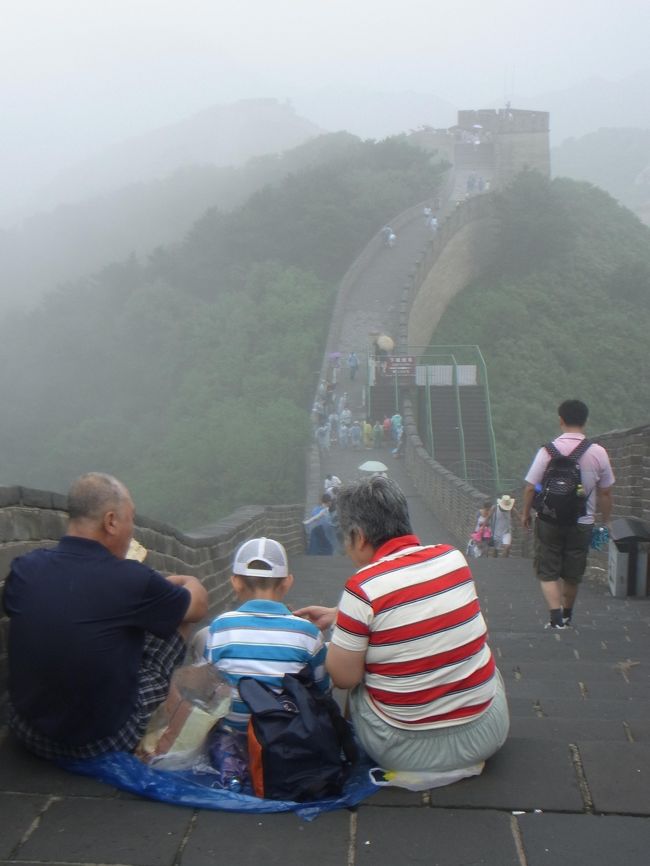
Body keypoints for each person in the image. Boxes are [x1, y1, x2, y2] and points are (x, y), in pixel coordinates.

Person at [295, 476, 509, 780]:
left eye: (345, 539)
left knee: (354, 669)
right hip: (488, 732)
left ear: (358, 536)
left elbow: (344, 678)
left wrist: (340, 636)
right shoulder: (453, 558)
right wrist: (341, 615)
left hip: (406, 751)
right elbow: (414, 602)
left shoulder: (363, 587)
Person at [2, 472, 208, 760]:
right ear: (111, 521)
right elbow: (198, 606)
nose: (132, 529)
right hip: (100, 741)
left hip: (27, 731)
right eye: (130, 519)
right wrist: (183, 580)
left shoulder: (25, 568)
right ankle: (161, 717)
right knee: (177, 619)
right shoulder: (132, 579)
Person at [204, 538, 329, 733]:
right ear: (287, 582)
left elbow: (210, 683)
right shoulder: (308, 632)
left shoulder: (221, 626)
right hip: (287, 739)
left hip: (233, 733)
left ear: (236, 582)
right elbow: (322, 688)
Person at [521, 399, 615, 629]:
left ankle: (555, 620)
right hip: (582, 521)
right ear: (585, 421)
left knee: (547, 569)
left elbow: (531, 487)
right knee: (573, 573)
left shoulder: (547, 451)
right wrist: (606, 520)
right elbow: (606, 492)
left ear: (560, 420)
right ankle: (567, 616)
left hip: (548, 520)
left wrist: (525, 513)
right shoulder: (598, 453)